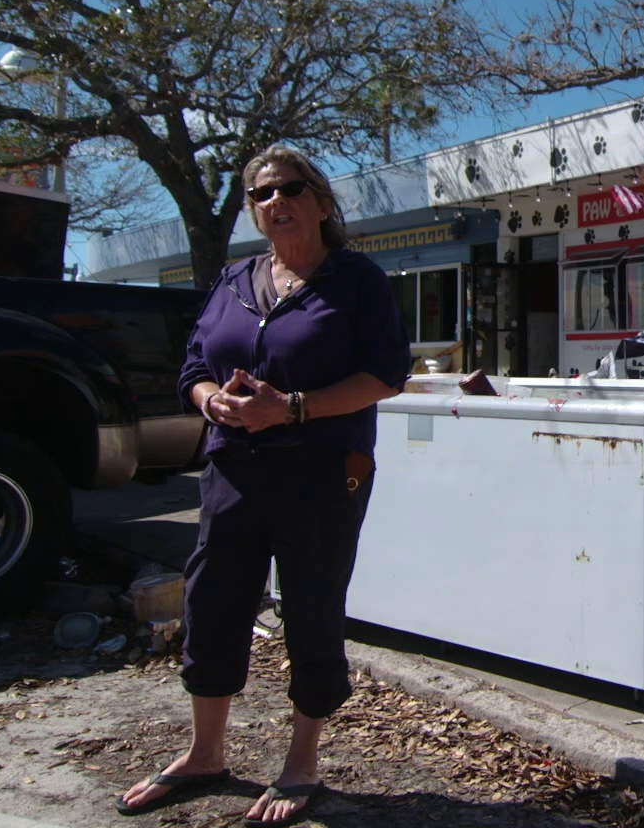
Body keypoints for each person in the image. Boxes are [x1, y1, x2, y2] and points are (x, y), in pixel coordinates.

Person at [118, 146, 409, 825]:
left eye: (289, 189)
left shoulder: (356, 280)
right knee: (212, 597)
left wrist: (294, 407)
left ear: (321, 201)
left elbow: (386, 374)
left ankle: (302, 761)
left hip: (321, 471)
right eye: (261, 194)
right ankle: (205, 753)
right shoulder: (234, 279)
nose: (275, 202)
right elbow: (194, 363)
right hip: (233, 468)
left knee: (310, 604)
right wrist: (209, 398)